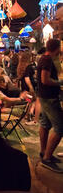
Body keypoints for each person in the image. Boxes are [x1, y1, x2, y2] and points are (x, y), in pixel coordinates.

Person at [37, 39, 63, 172]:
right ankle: (47, 158)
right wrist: (60, 82)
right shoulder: (47, 60)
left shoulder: (44, 58)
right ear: (57, 48)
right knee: (60, 128)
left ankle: (44, 152)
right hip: (49, 98)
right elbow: (45, 80)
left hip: (44, 96)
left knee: (45, 124)